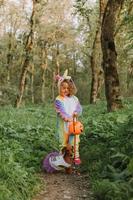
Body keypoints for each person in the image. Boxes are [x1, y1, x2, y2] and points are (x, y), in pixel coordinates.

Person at [54, 70, 82, 165]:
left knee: (74, 141)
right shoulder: (58, 99)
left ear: (71, 88)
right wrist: (66, 118)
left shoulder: (74, 99)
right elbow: (61, 111)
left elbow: (79, 108)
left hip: (74, 125)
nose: (66, 90)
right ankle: (62, 157)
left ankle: (75, 156)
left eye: (68, 88)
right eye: (63, 88)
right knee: (64, 142)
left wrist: (76, 112)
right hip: (64, 125)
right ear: (59, 88)